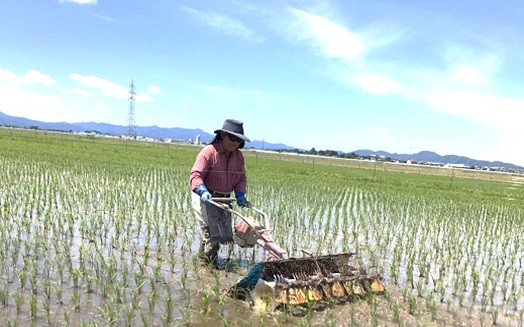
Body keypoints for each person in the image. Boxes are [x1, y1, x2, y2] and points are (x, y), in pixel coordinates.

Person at [190, 119, 251, 264]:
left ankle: (202, 260)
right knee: (211, 235)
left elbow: (241, 178)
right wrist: (202, 190)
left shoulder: (238, 156)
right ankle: (208, 268)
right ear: (223, 135)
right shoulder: (209, 152)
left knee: (221, 234)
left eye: (238, 140)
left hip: (224, 200)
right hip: (205, 197)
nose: (235, 142)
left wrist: (240, 194)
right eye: (232, 138)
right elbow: (195, 175)